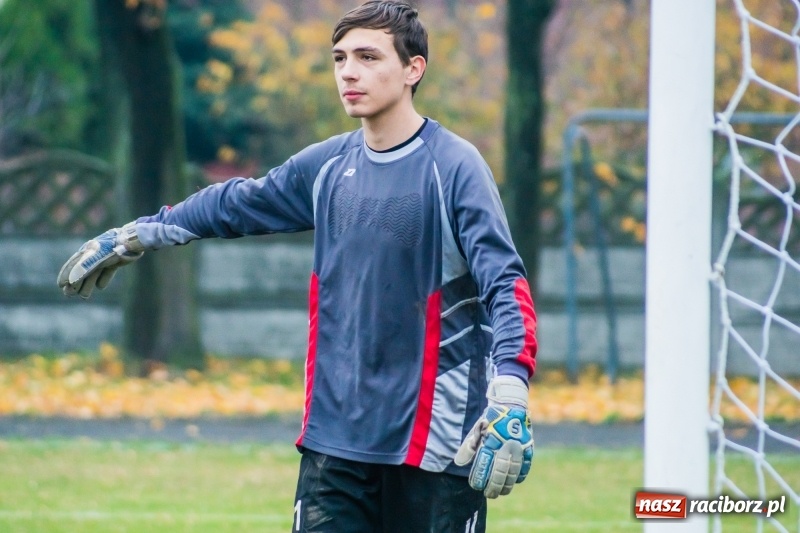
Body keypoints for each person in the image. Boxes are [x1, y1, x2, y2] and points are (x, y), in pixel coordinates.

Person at [57, 2, 537, 531]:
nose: (349, 72)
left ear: (412, 69)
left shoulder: (455, 166)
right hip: (334, 446)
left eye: (368, 56)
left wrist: (510, 391)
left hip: (433, 449)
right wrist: (138, 234)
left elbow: (505, 285)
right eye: (339, 58)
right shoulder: (328, 164)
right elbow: (235, 203)